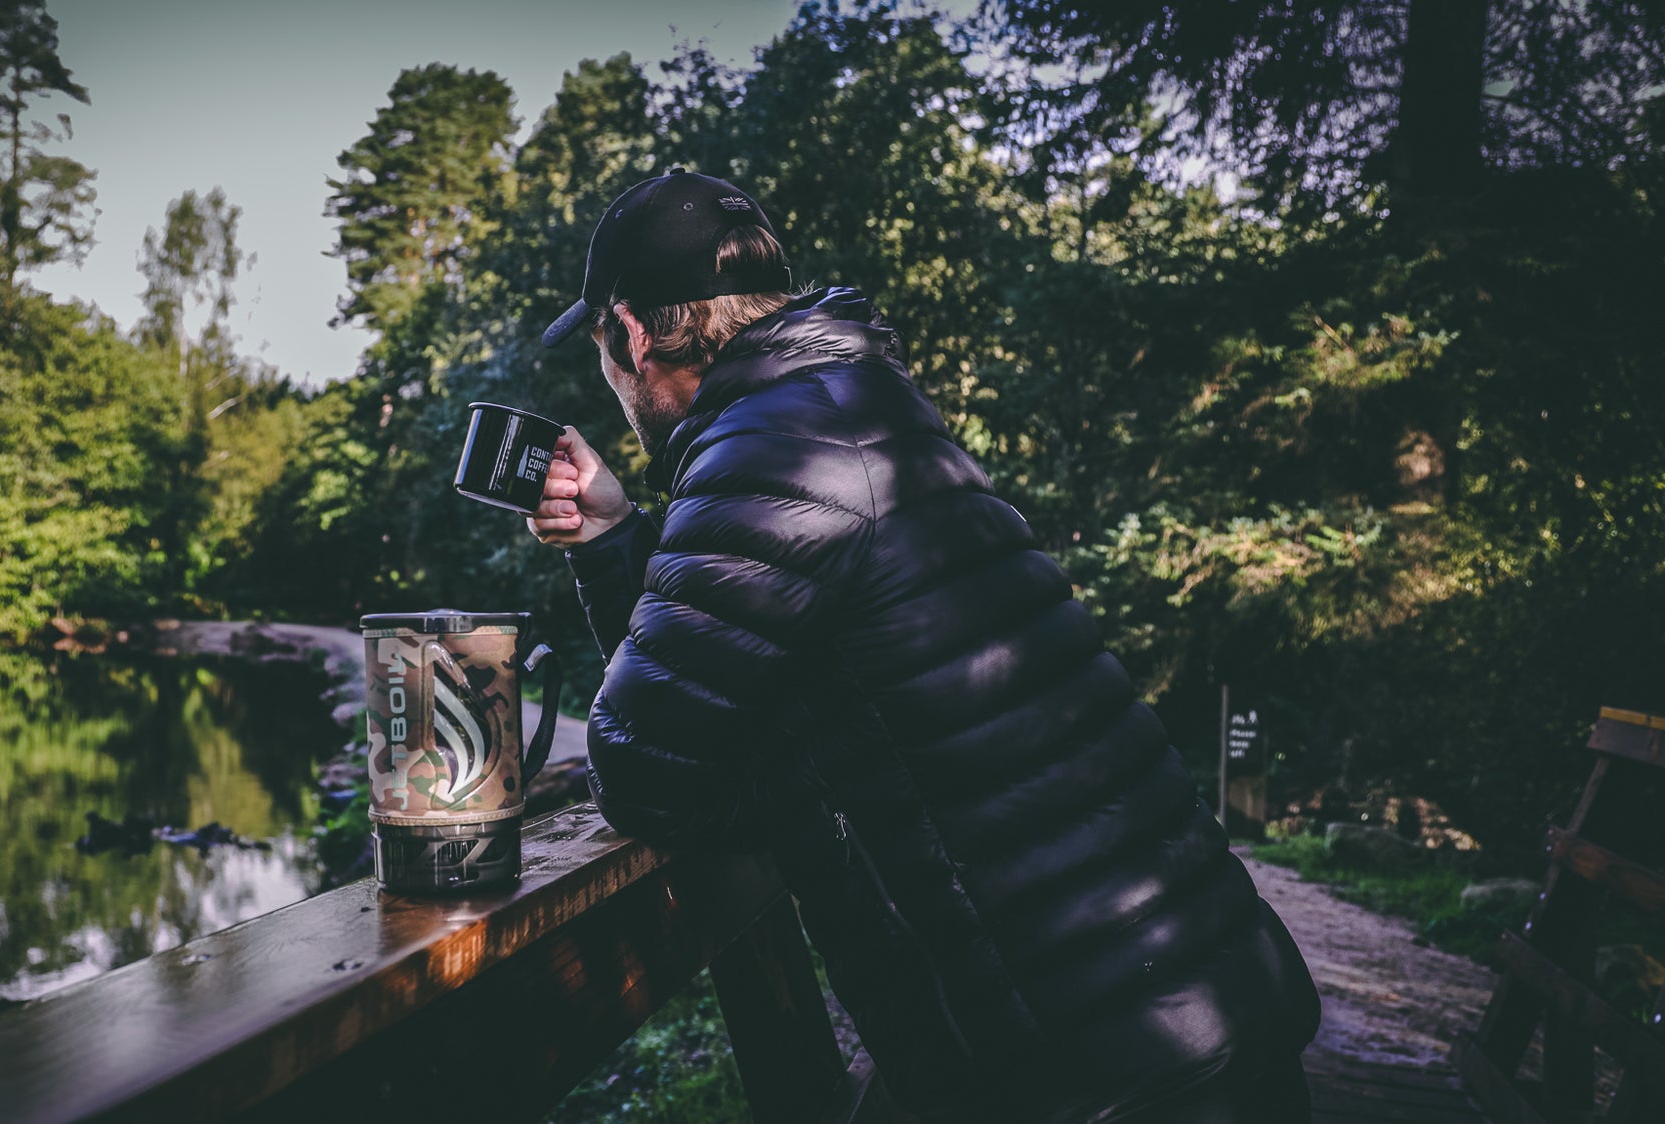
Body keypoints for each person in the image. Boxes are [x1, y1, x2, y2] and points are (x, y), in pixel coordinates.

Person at [527, 168, 1321, 1122]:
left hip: (1103, 1068)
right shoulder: (861, 409)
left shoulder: (767, 457)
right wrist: (617, 537)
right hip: (1197, 997)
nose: (610, 380)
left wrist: (615, 551)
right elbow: (722, 728)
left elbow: (646, 771)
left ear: (634, 331)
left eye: (603, 354)